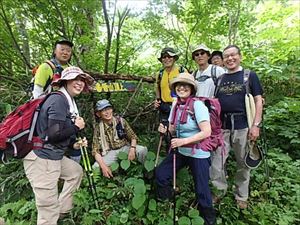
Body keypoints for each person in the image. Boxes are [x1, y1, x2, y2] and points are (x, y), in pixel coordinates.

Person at [23, 66, 95, 225]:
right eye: (75, 79)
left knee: (75, 172)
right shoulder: (58, 101)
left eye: (82, 80)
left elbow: (57, 133)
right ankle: (53, 216)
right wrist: (76, 127)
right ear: (65, 81)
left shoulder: (67, 101)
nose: (80, 83)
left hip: (52, 156)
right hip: (42, 160)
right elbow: (53, 135)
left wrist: (73, 145)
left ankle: (62, 212)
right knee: (48, 211)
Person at [155, 73, 216, 225]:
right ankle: (167, 204)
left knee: (202, 190)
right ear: (175, 88)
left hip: (198, 153)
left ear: (191, 88)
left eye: (186, 85)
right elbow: (172, 129)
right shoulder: (176, 105)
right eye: (179, 85)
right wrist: (164, 130)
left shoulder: (197, 105)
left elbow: (206, 131)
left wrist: (184, 141)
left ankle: (209, 220)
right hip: (181, 151)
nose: (182, 87)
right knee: (161, 173)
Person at [212, 45, 263, 209]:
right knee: (217, 162)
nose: (229, 58)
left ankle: (241, 195)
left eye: (233, 55)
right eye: (226, 56)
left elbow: (258, 101)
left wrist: (256, 125)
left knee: (243, 163)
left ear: (240, 56)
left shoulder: (249, 76)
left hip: (243, 126)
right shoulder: (220, 79)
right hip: (223, 127)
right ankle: (218, 191)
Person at [92, 99, 148, 178]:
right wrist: (103, 166)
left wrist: (132, 149)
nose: (107, 112)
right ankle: (105, 181)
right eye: (103, 110)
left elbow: (133, 137)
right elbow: (95, 151)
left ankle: (145, 174)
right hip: (110, 152)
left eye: (108, 109)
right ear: (98, 114)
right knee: (95, 167)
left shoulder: (120, 121)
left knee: (142, 150)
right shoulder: (98, 128)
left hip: (124, 147)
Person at [155, 47, 186, 122]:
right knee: (164, 131)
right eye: (164, 57)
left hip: (180, 107)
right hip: (164, 108)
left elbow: (189, 89)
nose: (167, 59)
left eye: (169, 56)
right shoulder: (159, 74)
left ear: (174, 58)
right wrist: (157, 101)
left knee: (179, 132)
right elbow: (157, 88)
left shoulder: (182, 71)